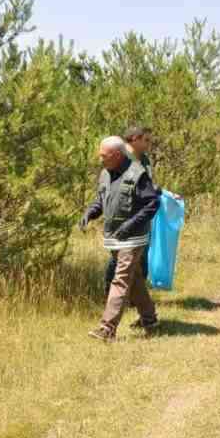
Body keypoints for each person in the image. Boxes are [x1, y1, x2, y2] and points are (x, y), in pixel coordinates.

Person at [80, 136, 161, 341]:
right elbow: (102, 199)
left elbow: (152, 203)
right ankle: (149, 319)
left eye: (103, 156)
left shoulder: (137, 174)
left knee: (121, 279)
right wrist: (90, 213)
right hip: (115, 238)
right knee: (134, 280)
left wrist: (129, 225)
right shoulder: (105, 174)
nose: (100, 159)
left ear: (116, 155)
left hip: (133, 238)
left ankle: (107, 329)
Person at [104, 125, 154, 295]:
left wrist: (161, 192)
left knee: (141, 257)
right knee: (118, 257)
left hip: (141, 218)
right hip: (122, 217)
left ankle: (136, 299)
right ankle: (109, 293)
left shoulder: (145, 160)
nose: (149, 144)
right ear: (134, 139)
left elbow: (147, 186)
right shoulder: (118, 158)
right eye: (145, 140)